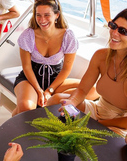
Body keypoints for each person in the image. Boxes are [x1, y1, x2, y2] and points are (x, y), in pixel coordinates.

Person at [52, 8, 127, 138]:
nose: (114, 33)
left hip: (119, 123)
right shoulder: (100, 56)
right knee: (56, 100)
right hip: (97, 109)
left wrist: (98, 123)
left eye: (123, 31)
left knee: (98, 139)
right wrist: (71, 102)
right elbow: (81, 90)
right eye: (113, 26)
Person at [11, 0, 90, 116]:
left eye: (47, 15)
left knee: (93, 89)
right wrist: (39, 90)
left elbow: (66, 69)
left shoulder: (68, 36)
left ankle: (54, 100)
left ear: (57, 15)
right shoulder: (28, 35)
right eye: (38, 15)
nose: (42, 20)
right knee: (25, 108)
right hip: (30, 79)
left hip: (56, 81)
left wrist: (49, 91)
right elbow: (26, 67)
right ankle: (16, 118)